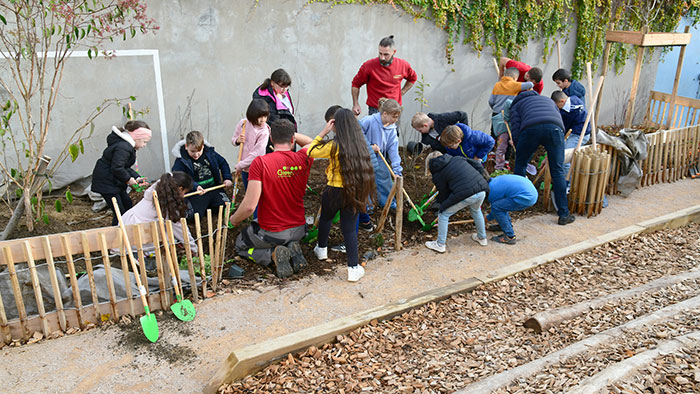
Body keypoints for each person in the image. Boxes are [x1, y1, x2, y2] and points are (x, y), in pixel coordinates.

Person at [229, 119, 311, 278]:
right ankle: (292, 246)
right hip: (300, 229)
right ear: (293, 139)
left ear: (271, 139)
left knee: (241, 245)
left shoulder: (260, 163)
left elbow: (249, 207)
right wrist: (290, 133)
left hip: (272, 233)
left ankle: (271, 254)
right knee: (286, 236)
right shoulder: (303, 158)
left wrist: (233, 220)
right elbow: (312, 143)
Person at [305, 109, 376, 282]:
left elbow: (310, 151)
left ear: (335, 125)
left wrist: (324, 132)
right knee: (350, 230)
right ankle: (353, 268)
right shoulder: (360, 145)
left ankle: (321, 250)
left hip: (333, 191)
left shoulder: (334, 146)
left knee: (326, 219)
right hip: (353, 191)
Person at [509, 90, 575, 225]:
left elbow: (515, 128)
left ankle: (519, 206)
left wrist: (519, 147)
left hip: (530, 129)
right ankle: (564, 214)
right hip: (555, 128)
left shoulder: (516, 105)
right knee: (558, 171)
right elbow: (557, 118)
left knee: (520, 166)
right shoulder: (547, 100)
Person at [424, 151, 489, 253]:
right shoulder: (457, 158)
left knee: (443, 214)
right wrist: (485, 179)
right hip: (481, 190)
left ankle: (440, 244)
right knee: (476, 211)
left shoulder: (437, 173)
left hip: (467, 194)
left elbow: (444, 193)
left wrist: (442, 205)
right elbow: (477, 164)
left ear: (429, 163)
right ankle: (482, 238)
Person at [121, 172, 198, 254]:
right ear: (180, 189)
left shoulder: (159, 191)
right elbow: (179, 229)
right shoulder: (168, 204)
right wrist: (194, 249)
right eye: (184, 192)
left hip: (125, 227)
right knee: (168, 233)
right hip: (135, 238)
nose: (183, 196)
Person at [91, 120, 151, 226]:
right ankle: (118, 235)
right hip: (107, 183)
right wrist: (129, 180)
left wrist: (136, 177)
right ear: (137, 137)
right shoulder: (124, 147)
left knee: (127, 205)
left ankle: (124, 231)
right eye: (145, 141)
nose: (144, 145)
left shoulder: (126, 146)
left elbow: (125, 167)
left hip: (113, 182)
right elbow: (117, 168)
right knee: (120, 213)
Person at [171, 130, 233, 218]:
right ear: (186, 147)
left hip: (214, 188)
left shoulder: (210, 153)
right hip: (196, 193)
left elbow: (222, 163)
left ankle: (210, 205)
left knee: (226, 207)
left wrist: (227, 178)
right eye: (192, 151)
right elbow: (178, 177)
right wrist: (195, 186)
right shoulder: (181, 160)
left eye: (199, 151)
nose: (196, 155)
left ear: (203, 146)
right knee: (193, 216)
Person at [351, 35, 417, 116]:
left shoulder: (403, 65)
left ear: (394, 52)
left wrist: (402, 92)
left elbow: (412, 78)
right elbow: (355, 84)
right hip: (375, 110)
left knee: (394, 129)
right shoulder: (368, 66)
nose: (382, 57)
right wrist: (355, 104)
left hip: (394, 109)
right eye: (380, 53)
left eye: (386, 54)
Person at [359, 98, 402, 209]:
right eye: (394, 117)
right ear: (384, 113)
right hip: (365, 158)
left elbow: (393, 149)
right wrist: (369, 146)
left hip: (380, 158)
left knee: (385, 180)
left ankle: (388, 204)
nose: (396, 120)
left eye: (397, 117)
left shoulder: (392, 128)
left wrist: (397, 169)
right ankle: (367, 206)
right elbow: (357, 135)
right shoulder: (368, 121)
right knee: (366, 181)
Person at [489, 67, 534, 170]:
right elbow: (530, 84)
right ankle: (505, 162)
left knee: (494, 133)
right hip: (507, 114)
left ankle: (491, 154)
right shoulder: (514, 85)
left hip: (496, 113)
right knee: (508, 136)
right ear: (515, 77)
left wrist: (495, 108)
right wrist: (527, 76)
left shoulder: (497, 85)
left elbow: (490, 100)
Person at [485, 174, 538, 245]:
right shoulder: (495, 181)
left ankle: (509, 236)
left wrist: (486, 219)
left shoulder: (492, 191)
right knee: (502, 205)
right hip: (531, 193)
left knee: (497, 207)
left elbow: (495, 209)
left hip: (526, 198)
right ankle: (503, 225)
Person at [232, 98, 271, 191]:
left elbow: (257, 153)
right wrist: (237, 140)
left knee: (256, 194)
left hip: (257, 168)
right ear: (253, 115)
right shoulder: (244, 123)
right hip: (245, 167)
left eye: (265, 117)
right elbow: (233, 139)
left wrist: (240, 165)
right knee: (248, 191)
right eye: (260, 117)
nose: (263, 120)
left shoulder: (264, 132)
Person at [253, 69, 296, 153]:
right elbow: (270, 120)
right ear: (272, 83)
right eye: (281, 86)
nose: (284, 89)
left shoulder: (283, 93)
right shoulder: (263, 98)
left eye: (286, 86)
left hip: (288, 132)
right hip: (274, 136)